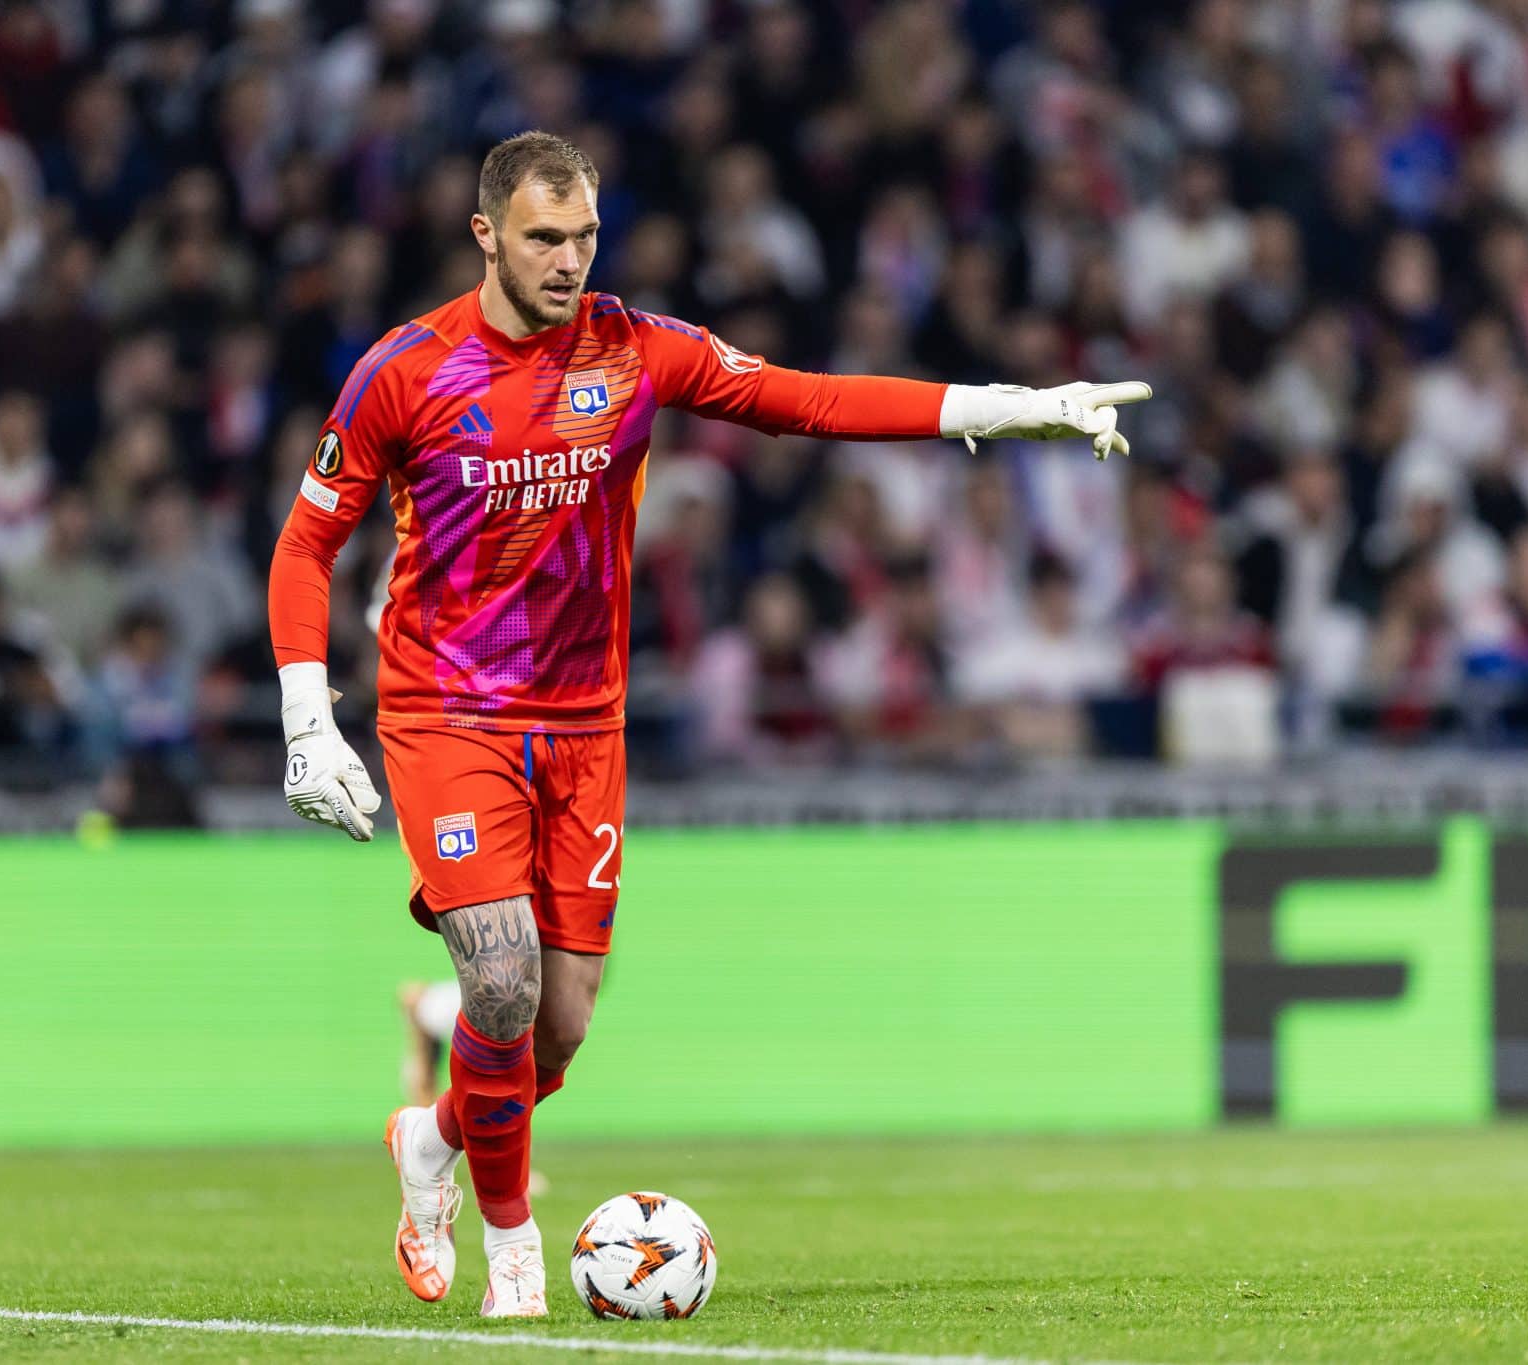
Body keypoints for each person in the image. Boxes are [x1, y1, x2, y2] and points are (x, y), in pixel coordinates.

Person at [264, 130, 1151, 1319]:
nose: (569, 260)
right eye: (542, 238)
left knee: (556, 1035)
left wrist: (1010, 409)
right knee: (503, 982)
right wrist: (304, 717)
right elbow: (309, 540)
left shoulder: (637, 353)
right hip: (446, 711)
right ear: (486, 235)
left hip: (587, 725)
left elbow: (809, 400)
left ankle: (430, 1140)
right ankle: (513, 1256)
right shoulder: (405, 370)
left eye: (583, 236)